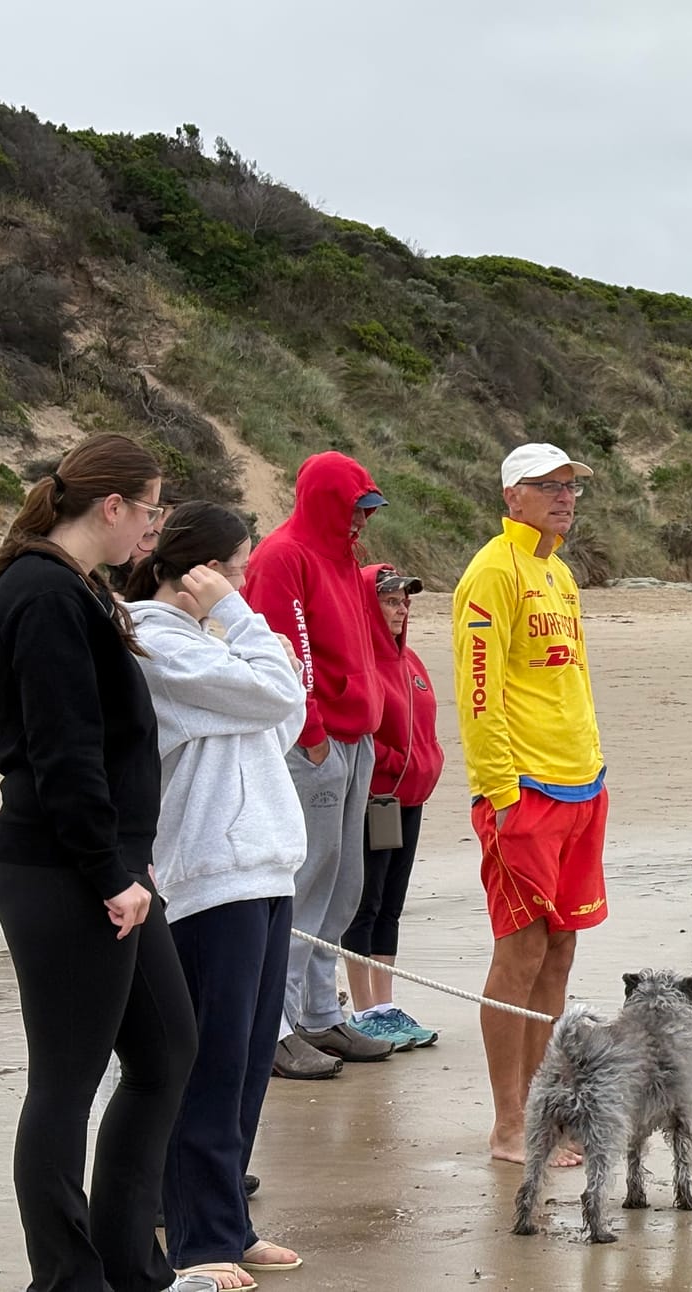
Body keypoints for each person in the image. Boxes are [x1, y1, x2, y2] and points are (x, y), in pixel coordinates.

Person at [0, 435, 205, 1292]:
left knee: (165, 1052)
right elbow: (61, 753)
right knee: (65, 1081)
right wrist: (110, 873)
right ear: (112, 507)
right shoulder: (42, 593)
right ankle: (68, 1279)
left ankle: (125, 1265)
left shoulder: (75, 586)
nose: (153, 530)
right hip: (65, 868)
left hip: (106, 862)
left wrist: (124, 867)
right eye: (150, 511)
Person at [124, 501, 309, 1282]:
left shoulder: (211, 642)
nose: (244, 586)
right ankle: (198, 1238)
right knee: (212, 1061)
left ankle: (227, 1217)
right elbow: (271, 698)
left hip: (264, 865)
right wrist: (238, 626)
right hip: (206, 875)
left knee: (248, 1061)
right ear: (194, 569)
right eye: (235, 570)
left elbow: (287, 708)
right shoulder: (152, 639)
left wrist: (241, 676)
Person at [453, 442, 609, 1163]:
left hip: (582, 783)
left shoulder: (560, 571)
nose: (563, 497)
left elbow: (569, 680)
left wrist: (595, 772)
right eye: (546, 486)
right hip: (525, 793)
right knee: (520, 949)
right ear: (512, 495)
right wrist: (501, 793)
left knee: (562, 948)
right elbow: (477, 695)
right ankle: (509, 1123)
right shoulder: (492, 572)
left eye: (570, 486)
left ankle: (544, 1109)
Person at [242, 450, 395, 1074]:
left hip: (353, 738)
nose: (363, 521)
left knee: (343, 883)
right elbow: (287, 650)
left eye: (369, 509)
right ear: (330, 502)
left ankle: (319, 1014)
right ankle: (275, 1028)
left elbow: (360, 642)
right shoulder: (283, 556)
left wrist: (374, 719)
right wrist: (311, 733)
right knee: (303, 882)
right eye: (356, 507)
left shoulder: (344, 555)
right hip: (315, 742)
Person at [342, 563, 446, 1050]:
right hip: (373, 799)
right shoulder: (357, 661)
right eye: (390, 600)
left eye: (405, 599)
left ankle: (384, 1005)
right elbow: (355, 728)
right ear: (367, 604)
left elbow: (423, 727)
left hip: (410, 799)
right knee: (365, 903)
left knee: (392, 907)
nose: (401, 608)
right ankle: (362, 1010)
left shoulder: (414, 664)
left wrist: (426, 762)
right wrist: (391, 761)